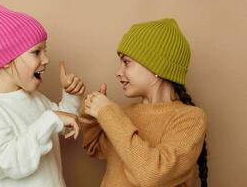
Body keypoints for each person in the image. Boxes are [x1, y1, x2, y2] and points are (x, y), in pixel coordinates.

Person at [0, 0, 85, 187]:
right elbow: (6, 162)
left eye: (45, 51)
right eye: (37, 52)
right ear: (5, 58)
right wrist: (51, 119)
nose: (46, 59)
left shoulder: (37, 100)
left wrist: (71, 96)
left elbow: (65, 125)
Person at [81, 18, 208, 187]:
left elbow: (152, 175)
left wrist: (108, 113)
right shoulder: (124, 113)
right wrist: (92, 115)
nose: (118, 72)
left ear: (156, 68)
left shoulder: (191, 119)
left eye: (126, 62)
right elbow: (94, 148)